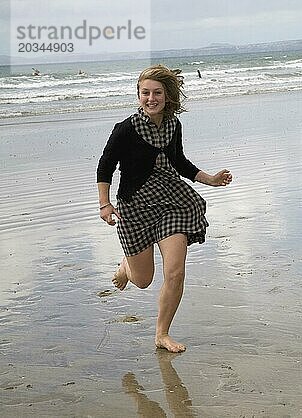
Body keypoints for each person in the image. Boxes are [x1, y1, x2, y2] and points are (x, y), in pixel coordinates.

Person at [96, 64, 232, 353]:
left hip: (172, 203)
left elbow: (179, 162)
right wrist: (105, 204)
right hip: (135, 208)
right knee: (143, 280)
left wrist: (209, 179)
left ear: (167, 96)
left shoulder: (173, 125)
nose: (151, 98)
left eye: (157, 92)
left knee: (175, 272)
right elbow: (105, 166)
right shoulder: (125, 129)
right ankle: (126, 264)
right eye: (145, 93)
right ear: (138, 95)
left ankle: (162, 334)